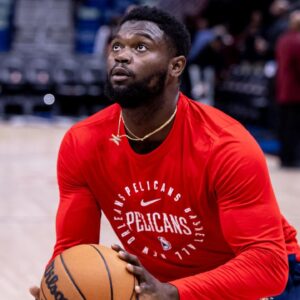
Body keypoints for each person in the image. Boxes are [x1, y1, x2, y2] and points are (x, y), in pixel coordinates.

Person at [30, 6, 300, 299]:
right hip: (167, 284)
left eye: (141, 47)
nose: (121, 54)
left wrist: (173, 292)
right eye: (117, 45)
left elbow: (267, 267)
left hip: (264, 280)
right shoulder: (82, 142)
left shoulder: (225, 145)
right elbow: (74, 250)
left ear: (176, 66)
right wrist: (57, 288)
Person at [275, 10, 300, 168]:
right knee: (294, 127)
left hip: (282, 88)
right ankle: (292, 158)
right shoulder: (297, 41)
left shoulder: (282, 39)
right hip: (296, 91)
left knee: (284, 126)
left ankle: (284, 157)